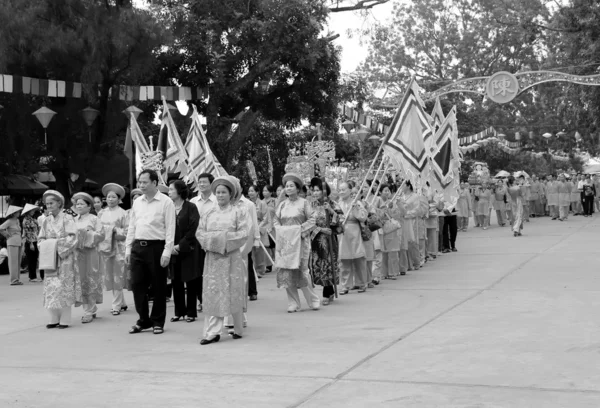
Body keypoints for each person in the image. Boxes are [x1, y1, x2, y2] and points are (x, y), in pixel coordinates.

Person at [196, 177, 248, 344]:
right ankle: (213, 332)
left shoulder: (238, 212)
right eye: (217, 192)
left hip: (231, 258)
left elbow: (243, 233)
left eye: (223, 192)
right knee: (214, 293)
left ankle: (238, 327)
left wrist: (222, 241)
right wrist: (213, 242)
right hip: (213, 259)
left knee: (233, 293)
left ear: (230, 193)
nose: (220, 195)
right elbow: (200, 233)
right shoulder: (208, 213)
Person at [126, 170, 176, 335]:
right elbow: (132, 226)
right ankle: (143, 320)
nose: (141, 185)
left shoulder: (166, 202)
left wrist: (167, 252)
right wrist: (128, 248)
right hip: (138, 247)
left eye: (144, 182)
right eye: (139, 182)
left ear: (154, 183)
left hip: (157, 247)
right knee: (137, 285)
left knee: (158, 286)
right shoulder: (137, 202)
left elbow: (170, 228)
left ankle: (157, 321)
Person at [274, 173, 321, 310]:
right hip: (286, 244)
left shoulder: (304, 203)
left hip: (301, 242)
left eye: (291, 186)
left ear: (297, 188)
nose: (288, 188)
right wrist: (282, 231)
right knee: (287, 272)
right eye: (286, 186)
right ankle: (293, 303)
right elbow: (276, 221)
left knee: (303, 271)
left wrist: (299, 231)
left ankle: (313, 300)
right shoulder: (282, 205)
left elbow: (312, 219)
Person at [38, 190, 82, 328]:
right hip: (50, 258)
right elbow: (40, 238)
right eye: (47, 203)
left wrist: (55, 244)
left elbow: (73, 237)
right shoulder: (46, 220)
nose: (49, 206)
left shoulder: (67, 218)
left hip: (65, 258)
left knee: (64, 286)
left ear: (59, 203)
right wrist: (46, 246)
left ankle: (65, 319)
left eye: (51, 203)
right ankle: (53, 318)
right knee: (51, 287)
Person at [168, 180, 201, 323]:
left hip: (189, 249)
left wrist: (180, 245)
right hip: (172, 249)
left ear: (179, 191)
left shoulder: (191, 207)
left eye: (171, 190)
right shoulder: (168, 207)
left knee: (190, 280)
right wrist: (170, 246)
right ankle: (179, 311)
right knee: (176, 281)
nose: (169, 192)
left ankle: (191, 312)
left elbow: (193, 228)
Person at [309, 178, 343, 306]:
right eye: (314, 190)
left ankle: (326, 292)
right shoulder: (311, 205)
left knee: (328, 264)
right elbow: (307, 223)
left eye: (318, 190)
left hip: (329, 240)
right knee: (319, 265)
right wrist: (320, 229)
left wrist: (331, 211)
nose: (316, 193)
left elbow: (341, 220)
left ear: (324, 191)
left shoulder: (332, 203)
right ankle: (329, 290)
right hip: (316, 239)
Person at [72, 192, 104, 324]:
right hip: (77, 253)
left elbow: (101, 234)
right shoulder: (73, 220)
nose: (79, 206)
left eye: (82, 204)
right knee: (80, 280)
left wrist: (87, 234)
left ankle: (88, 311)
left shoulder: (94, 219)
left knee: (90, 279)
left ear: (89, 206)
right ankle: (91, 308)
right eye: (77, 204)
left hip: (91, 253)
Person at [98, 183, 129, 316]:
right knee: (110, 275)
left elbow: (127, 231)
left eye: (113, 197)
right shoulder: (101, 213)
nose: (110, 199)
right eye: (108, 197)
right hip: (105, 248)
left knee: (117, 275)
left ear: (119, 198)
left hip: (118, 248)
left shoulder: (123, 213)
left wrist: (115, 230)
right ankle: (122, 303)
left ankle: (116, 305)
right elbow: (98, 230)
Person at [190, 172, 217, 312]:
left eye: (204, 182)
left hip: (213, 241)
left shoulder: (217, 200)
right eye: (199, 182)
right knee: (198, 271)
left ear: (211, 184)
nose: (201, 184)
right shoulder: (194, 201)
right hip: (196, 241)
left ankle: (211, 298)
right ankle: (201, 299)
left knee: (211, 272)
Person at [337, 180, 369, 293]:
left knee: (358, 258)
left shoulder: (357, 203)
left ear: (350, 190)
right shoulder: (338, 204)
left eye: (343, 189)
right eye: (340, 190)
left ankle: (361, 283)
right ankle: (346, 285)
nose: (341, 192)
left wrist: (355, 209)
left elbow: (363, 217)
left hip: (354, 231)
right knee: (344, 260)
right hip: (343, 233)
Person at [247, 185, 271, 278]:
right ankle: (252, 270)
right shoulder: (247, 203)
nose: (250, 193)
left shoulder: (262, 203)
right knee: (250, 250)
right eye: (249, 191)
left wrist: (257, 227)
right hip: (249, 229)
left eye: (252, 191)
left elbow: (265, 218)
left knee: (259, 250)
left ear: (257, 192)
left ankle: (260, 270)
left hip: (259, 228)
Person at [399, 180, 422, 271]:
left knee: (412, 242)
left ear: (408, 186)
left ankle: (416, 262)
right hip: (403, 221)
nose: (401, 187)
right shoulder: (401, 196)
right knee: (404, 242)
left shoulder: (415, 196)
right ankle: (408, 264)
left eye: (403, 185)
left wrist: (407, 214)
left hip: (411, 220)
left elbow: (417, 210)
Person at [0, 205, 23, 286]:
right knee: (13, 261)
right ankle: (13, 280)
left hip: (18, 241)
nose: (19, 213)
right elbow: (1, 228)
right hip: (12, 241)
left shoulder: (17, 220)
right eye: (18, 212)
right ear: (13, 213)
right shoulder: (9, 221)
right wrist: (6, 235)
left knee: (17, 261)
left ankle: (16, 279)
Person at [21, 204, 41, 282]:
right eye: (32, 210)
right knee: (31, 259)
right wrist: (31, 243)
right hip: (30, 241)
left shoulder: (32, 219)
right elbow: (27, 232)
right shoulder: (26, 220)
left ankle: (33, 276)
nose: (33, 212)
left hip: (35, 240)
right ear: (28, 211)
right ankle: (32, 277)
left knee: (34, 258)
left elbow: (36, 230)